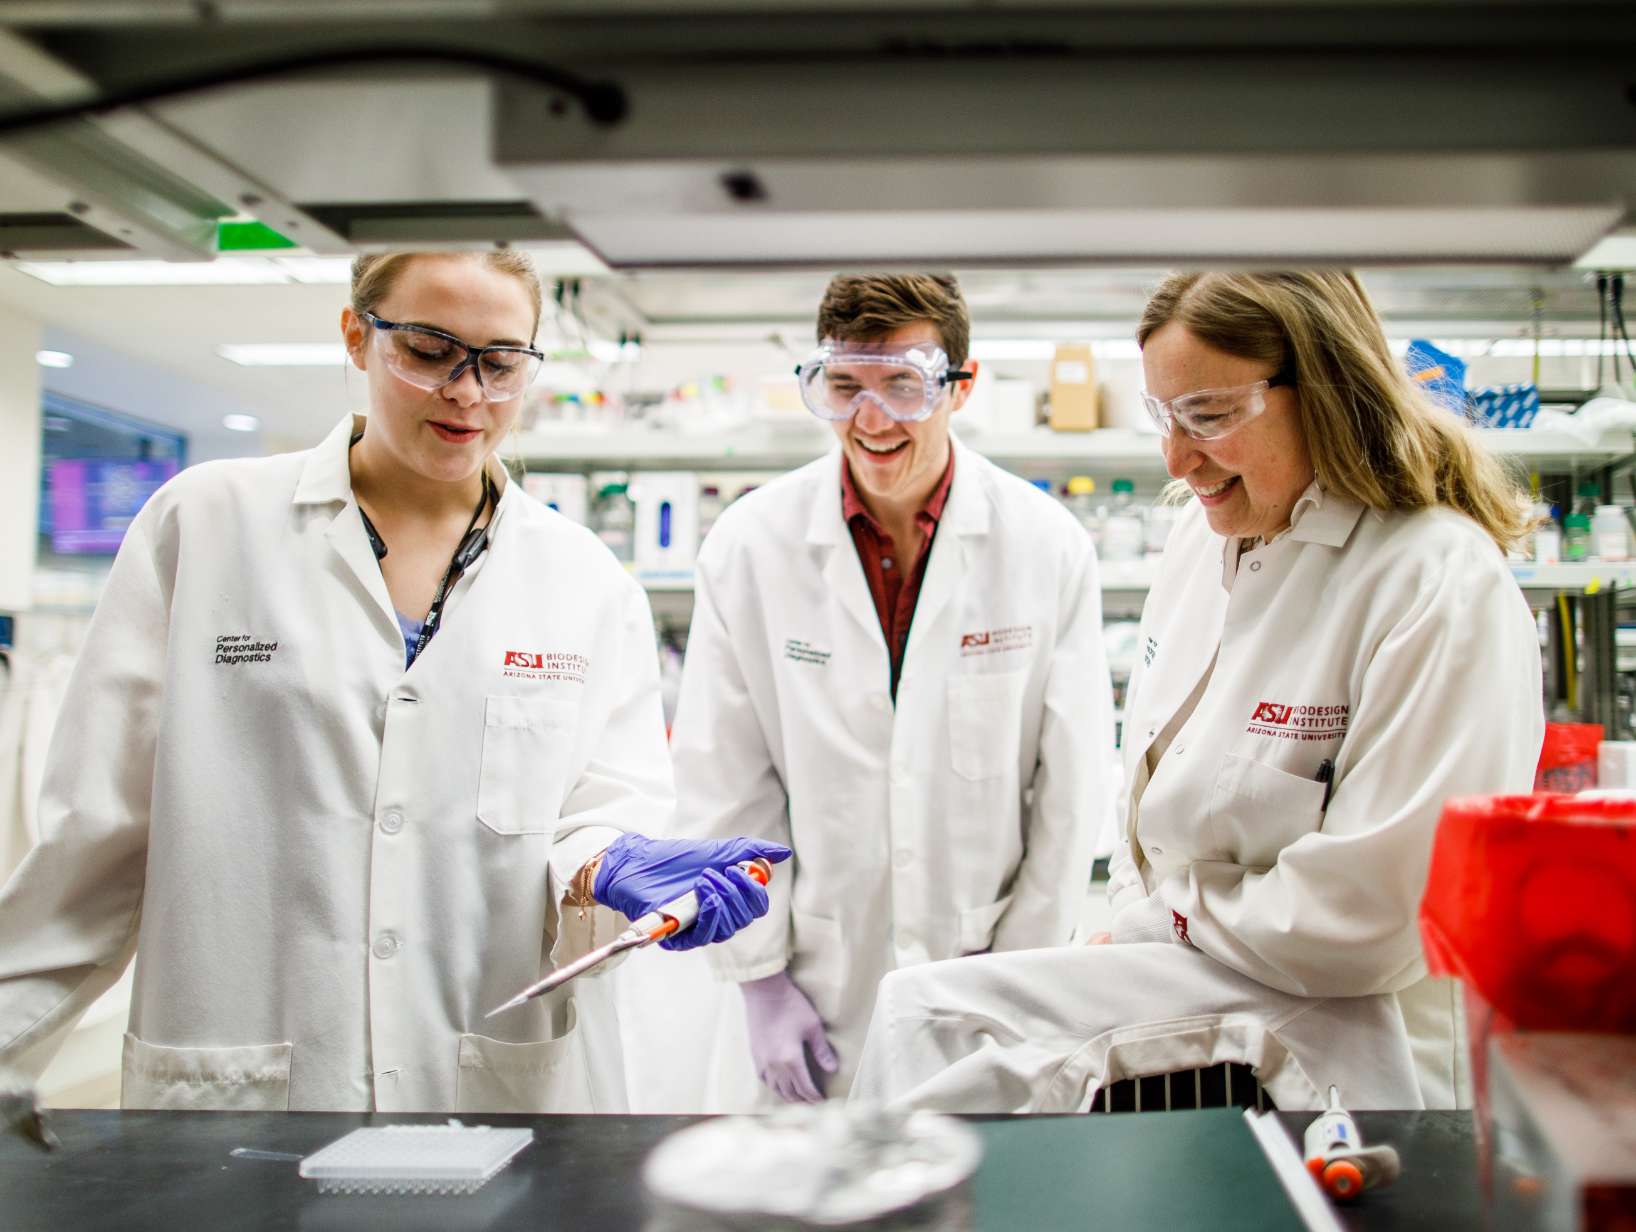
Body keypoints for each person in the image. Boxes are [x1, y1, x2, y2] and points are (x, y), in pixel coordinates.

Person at [0, 251, 787, 1114]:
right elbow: (94, 841)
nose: (467, 391)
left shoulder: (587, 580)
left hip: (490, 1076)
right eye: (428, 349)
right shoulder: (205, 524)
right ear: (356, 335)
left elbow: (600, 803)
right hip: (246, 1075)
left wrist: (612, 859)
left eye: (500, 361)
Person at [850, 271, 1544, 1113]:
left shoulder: (1433, 580)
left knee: (933, 1023)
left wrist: (1159, 919)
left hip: (1356, 1058)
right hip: (1196, 989)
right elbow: (1145, 803)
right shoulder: (1198, 538)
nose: (1177, 460)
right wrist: (1136, 922)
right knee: (916, 1018)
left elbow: (1374, 922)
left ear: (1325, 388)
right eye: (1164, 417)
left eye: (1210, 416)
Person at [666, 273, 1115, 1104]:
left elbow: (1071, 790)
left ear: (960, 387)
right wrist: (761, 979)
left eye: (903, 386)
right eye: (843, 387)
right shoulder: (751, 546)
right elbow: (726, 780)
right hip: (813, 985)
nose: (870, 422)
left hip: (987, 982)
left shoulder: (1044, 545)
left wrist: (1018, 979)